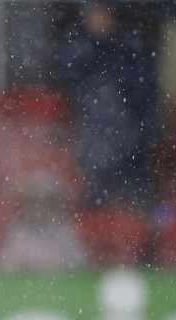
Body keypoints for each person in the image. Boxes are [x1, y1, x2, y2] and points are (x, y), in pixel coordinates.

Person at [55, 0, 158, 209]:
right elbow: (67, 83)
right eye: (93, 14)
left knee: (138, 197)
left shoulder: (131, 45)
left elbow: (145, 92)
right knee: (94, 186)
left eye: (104, 13)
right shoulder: (76, 47)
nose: (99, 20)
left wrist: (146, 129)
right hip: (91, 138)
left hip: (130, 138)